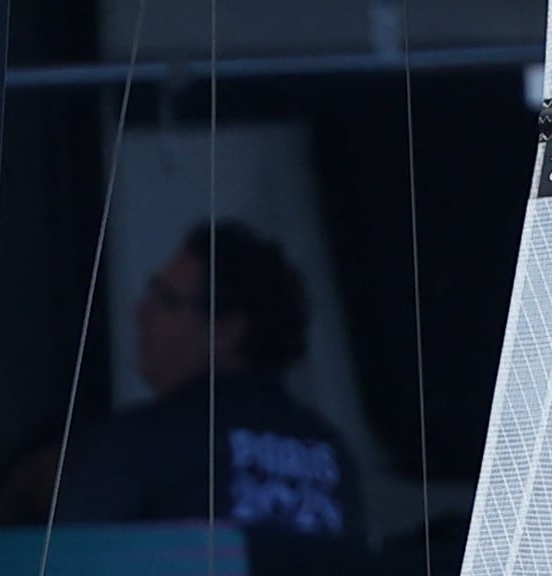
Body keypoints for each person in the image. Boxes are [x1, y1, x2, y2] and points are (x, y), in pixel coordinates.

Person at [40, 220, 363, 539]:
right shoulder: (331, 450)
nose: (141, 311)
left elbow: (70, 566)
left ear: (227, 329)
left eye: (165, 299)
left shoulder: (147, 440)